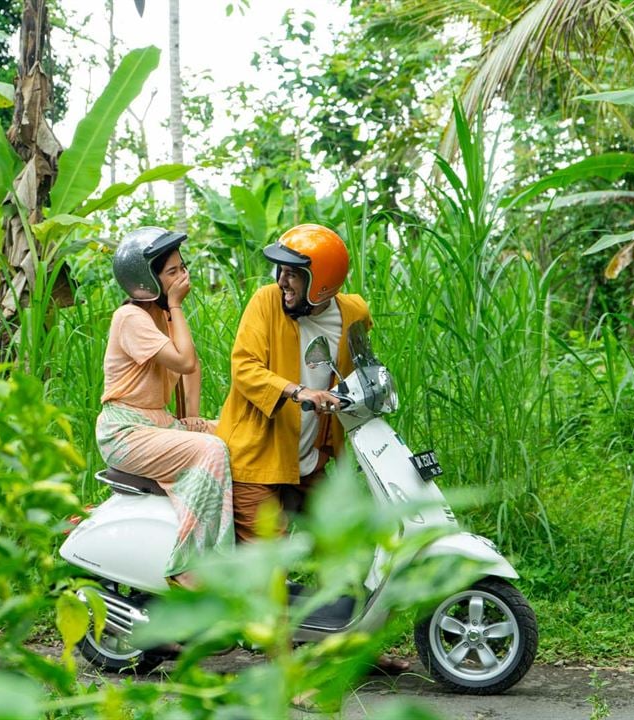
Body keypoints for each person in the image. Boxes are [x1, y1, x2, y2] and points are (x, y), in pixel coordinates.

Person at [216, 223, 411, 674]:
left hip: (315, 456)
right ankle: (284, 672)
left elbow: (363, 360)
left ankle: (358, 646)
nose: (281, 280)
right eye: (280, 270)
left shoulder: (352, 314)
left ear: (320, 281)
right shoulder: (264, 304)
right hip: (259, 456)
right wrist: (296, 391)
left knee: (343, 545)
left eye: (293, 273)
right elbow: (244, 367)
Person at [96, 226, 233, 589]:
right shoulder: (131, 319)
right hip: (126, 432)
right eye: (172, 272)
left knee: (237, 433)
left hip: (159, 424)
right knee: (211, 450)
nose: (182, 277)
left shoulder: (160, 316)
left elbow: (191, 368)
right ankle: (188, 567)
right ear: (146, 280)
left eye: (182, 268)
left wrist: (193, 418)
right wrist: (175, 305)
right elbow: (185, 361)